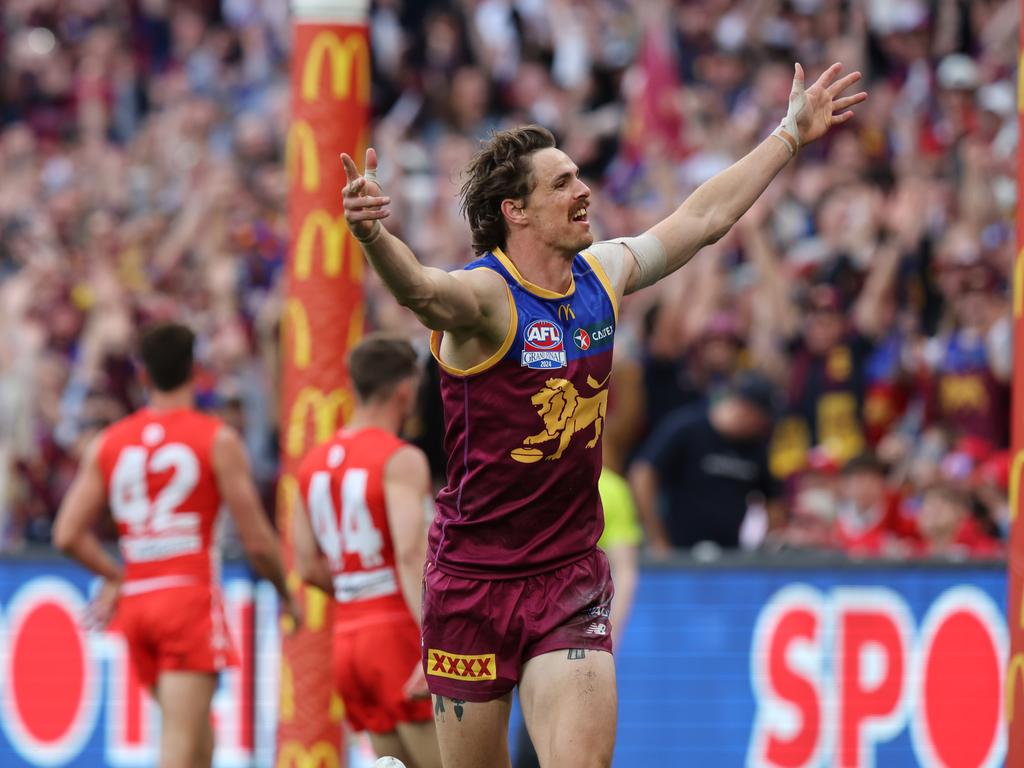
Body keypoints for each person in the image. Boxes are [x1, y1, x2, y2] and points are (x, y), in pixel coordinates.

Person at [341, 61, 866, 767]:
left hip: (568, 577)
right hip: (470, 585)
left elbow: (703, 219)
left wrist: (788, 137)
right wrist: (375, 237)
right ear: (515, 211)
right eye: (561, 183)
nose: (584, 190)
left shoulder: (605, 275)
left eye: (579, 176)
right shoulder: (485, 299)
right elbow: (423, 293)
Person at [52, 323, 298, 768]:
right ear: (195, 371)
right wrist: (289, 596)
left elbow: (66, 534)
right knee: (181, 749)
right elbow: (259, 541)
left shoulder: (109, 443)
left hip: (138, 605)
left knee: (198, 742)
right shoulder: (217, 439)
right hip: (188, 600)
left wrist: (117, 576)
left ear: (142, 375)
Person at [292, 335, 442, 768]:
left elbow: (306, 564)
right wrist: (437, 641)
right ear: (405, 389)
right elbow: (410, 552)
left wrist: (360, 593)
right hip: (398, 632)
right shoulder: (399, 459)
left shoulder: (314, 463)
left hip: (349, 640)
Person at [630, 372, 783, 553]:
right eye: (762, 422)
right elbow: (642, 474)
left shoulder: (756, 446)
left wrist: (765, 545)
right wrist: (657, 538)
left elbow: (773, 499)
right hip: (679, 553)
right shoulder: (688, 427)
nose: (763, 429)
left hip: (730, 556)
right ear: (746, 411)